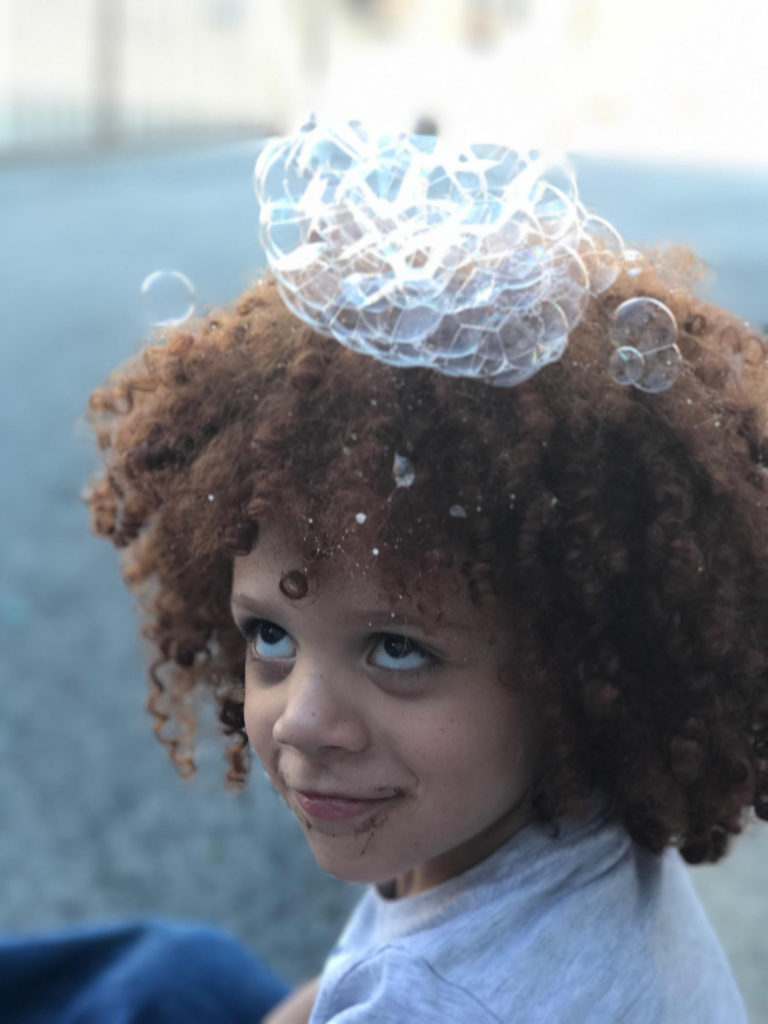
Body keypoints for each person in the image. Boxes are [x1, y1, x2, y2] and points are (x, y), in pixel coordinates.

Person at [81, 122, 768, 1022]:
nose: (305, 721)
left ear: (582, 675)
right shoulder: (543, 819)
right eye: (271, 636)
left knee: (151, 978)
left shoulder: (426, 1002)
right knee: (176, 966)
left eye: (398, 650)